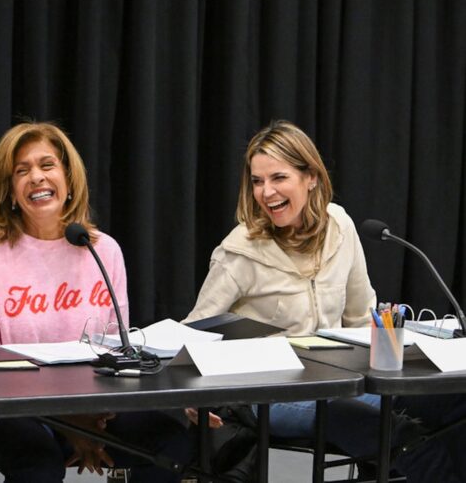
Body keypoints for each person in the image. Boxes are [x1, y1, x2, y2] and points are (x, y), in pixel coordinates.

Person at [184, 120, 465, 481]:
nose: (266, 192)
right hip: (269, 394)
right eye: (257, 181)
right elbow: (195, 333)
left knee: (453, 403)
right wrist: (192, 396)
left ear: (311, 177)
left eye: (278, 178)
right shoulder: (239, 250)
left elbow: (361, 317)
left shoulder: (340, 226)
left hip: (342, 380)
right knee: (393, 431)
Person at [0, 121, 195, 482]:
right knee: (36, 458)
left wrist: (91, 416)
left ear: (68, 179)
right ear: (10, 191)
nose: (36, 177)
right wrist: (66, 420)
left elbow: (115, 354)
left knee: (170, 443)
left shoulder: (102, 250)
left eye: (47, 165)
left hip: (90, 405)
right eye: (22, 171)